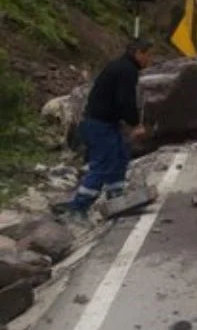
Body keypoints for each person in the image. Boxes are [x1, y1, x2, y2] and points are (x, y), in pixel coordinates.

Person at [55, 39, 153, 218]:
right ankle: (78, 207)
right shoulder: (127, 70)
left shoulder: (121, 67)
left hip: (105, 122)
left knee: (119, 157)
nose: (149, 59)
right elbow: (125, 101)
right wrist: (136, 124)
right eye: (148, 54)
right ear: (138, 53)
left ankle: (115, 199)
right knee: (103, 163)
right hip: (98, 124)